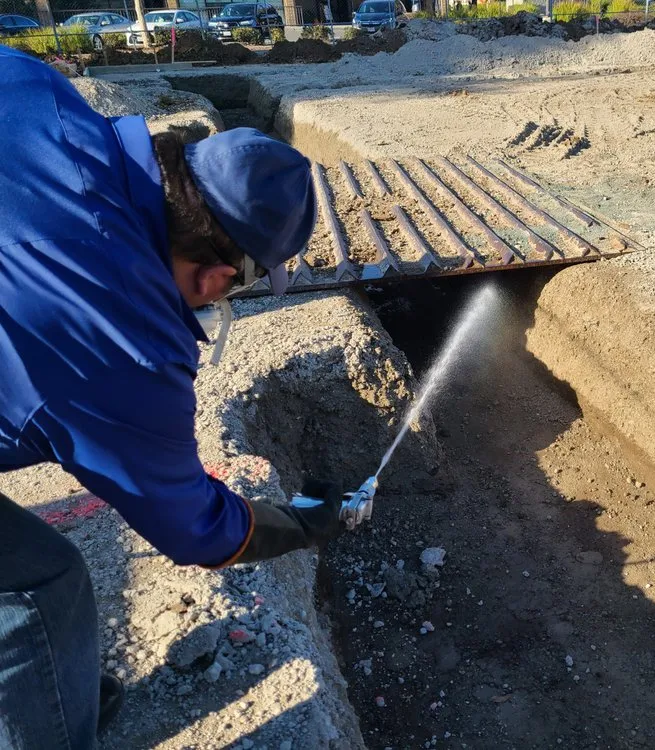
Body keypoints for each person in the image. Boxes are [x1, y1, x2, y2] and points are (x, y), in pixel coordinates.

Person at [0, 47, 344, 749]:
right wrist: (298, 525)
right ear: (219, 278)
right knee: (43, 585)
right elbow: (194, 527)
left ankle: (45, 697)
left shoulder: (34, 87)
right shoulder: (128, 350)